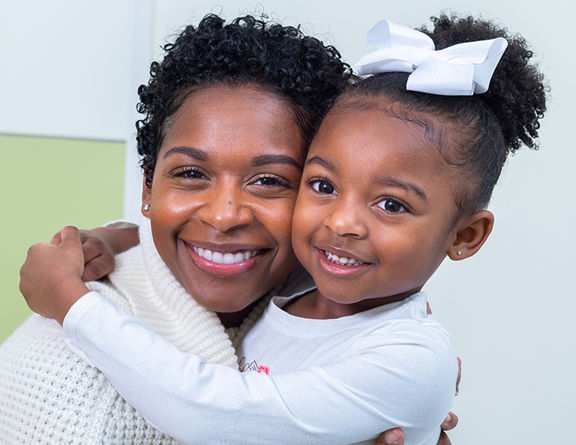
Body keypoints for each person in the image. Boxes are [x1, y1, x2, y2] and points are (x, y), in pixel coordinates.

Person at [18, 13, 546, 445]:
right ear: (148, 189)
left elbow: (211, 413)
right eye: (325, 186)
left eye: (270, 180)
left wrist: (70, 302)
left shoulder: (387, 345)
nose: (342, 222)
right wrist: (112, 237)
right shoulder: (304, 285)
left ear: (465, 236)